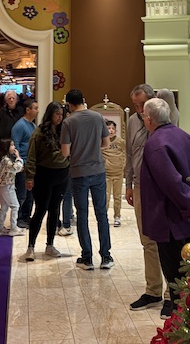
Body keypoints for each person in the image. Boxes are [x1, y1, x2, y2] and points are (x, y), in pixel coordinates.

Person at [140, 96, 190, 318]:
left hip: (170, 220)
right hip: (189, 220)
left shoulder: (155, 144)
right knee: (188, 270)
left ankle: (181, 324)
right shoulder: (186, 137)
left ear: (149, 119)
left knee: (175, 276)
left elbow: (172, 183)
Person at [125, 84, 180, 311]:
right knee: (147, 240)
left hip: (161, 187)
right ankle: (153, 291)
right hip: (139, 186)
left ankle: (171, 294)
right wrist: (128, 184)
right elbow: (129, 154)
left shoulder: (164, 118)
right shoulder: (131, 122)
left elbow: (167, 95)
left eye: (142, 104)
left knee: (166, 240)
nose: (139, 109)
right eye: (135, 105)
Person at [61, 89, 112, 270]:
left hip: (78, 173)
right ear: (83, 100)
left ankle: (87, 257)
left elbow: (65, 152)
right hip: (98, 170)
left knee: (82, 215)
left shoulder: (68, 122)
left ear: (69, 105)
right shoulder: (98, 117)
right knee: (102, 214)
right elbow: (106, 143)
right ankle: (106, 256)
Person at [22, 101, 70, 261]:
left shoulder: (65, 131)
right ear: (50, 114)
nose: (59, 117)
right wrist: (29, 177)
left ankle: (50, 244)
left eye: (61, 115)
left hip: (62, 175)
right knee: (41, 209)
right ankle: (30, 246)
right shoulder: (39, 132)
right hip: (43, 175)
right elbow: (31, 156)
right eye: (57, 114)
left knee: (55, 209)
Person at [10, 98, 39, 228]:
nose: (38, 111)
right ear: (28, 110)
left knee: (30, 193)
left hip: (31, 164)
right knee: (22, 193)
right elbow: (15, 146)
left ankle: (26, 216)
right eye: (35, 108)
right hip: (23, 165)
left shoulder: (32, 125)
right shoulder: (19, 126)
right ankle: (19, 217)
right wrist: (19, 163)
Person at [0, 139, 25, 236]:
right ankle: (13, 228)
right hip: (7, 186)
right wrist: (18, 157)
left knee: (4, 207)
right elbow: (16, 167)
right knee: (15, 206)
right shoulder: (6, 160)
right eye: (12, 145)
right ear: (6, 148)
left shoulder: (3, 159)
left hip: (3, 186)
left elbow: (12, 170)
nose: (14, 147)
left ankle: (0, 228)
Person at [102, 120, 126, 227]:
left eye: (112, 128)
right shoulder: (102, 141)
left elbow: (125, 153)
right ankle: (104, 216)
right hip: (106, 173)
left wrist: (123, 165)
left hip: (118, 173)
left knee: (117, 196)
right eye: (108, 128)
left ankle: (117, 216)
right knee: (105, 197)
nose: (111, 131)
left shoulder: (120, 141)